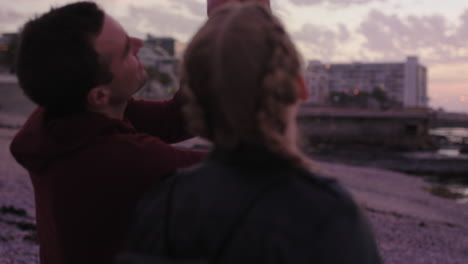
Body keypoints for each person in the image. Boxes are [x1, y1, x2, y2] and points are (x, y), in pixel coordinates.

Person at [116, 2, 381, 264]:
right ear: (300, 87)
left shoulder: (164, 205)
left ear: (196, 97)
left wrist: (231, 31)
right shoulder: (330, 213)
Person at [10, 2, 205, 264]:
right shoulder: (120, 159)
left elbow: (176, 117)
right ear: (100, 95)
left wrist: (219, 27)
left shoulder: (60, 117)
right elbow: (241, 176)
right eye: (126, 51)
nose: (139, 44)